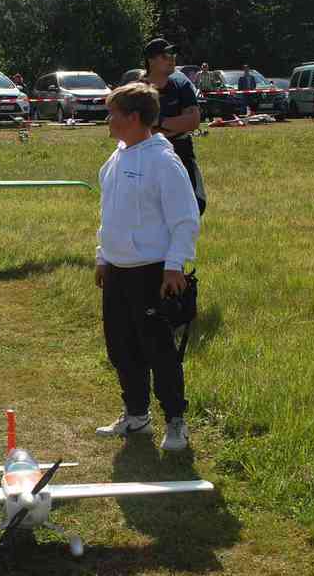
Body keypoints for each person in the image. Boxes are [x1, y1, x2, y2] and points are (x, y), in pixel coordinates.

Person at [94, 83, 200, 452]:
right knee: (121, 347)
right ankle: (136, 415)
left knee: (159, 350)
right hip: (117, 271)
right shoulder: (115, 159)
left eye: (113, 114)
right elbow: (108, 215)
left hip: (153, 272)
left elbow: (185, 219)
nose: (108, 120)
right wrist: (103, 257)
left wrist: (174, 267)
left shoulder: (163, 162)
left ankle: (176, 420)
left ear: (134, 118)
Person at [141, 38, 206, 216]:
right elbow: (136, 129)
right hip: (146, 159)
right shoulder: (137, 90)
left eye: (173, 55)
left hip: (181, 155)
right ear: (151, 60)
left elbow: (193, 121)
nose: (172, 59)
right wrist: (177, 125)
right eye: (165, 55)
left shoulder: (181, 85)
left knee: (194, 207)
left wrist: (159, 122)